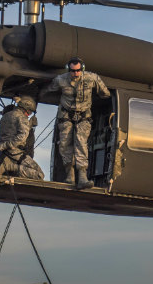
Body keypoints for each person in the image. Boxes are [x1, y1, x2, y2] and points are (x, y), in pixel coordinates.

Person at [42, 57, 110, 188]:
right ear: (69, 70)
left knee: (81, 143)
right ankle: (70, 174)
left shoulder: (92, 78)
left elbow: (105, 93)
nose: (76, 74)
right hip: (66, 115)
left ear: (82, 69)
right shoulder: (60, 80)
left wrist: (94, 99)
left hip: (83, 116)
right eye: (73, 71)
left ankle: (82, 176)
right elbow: (47, 90)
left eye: (78, 70)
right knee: (64, 144)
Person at [0, 96, 45, 180]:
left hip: (4, 152)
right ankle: (10, 167)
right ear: (26, 108)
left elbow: (10, 132)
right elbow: (22, 136)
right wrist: (29, 125)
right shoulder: (21, 117)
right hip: (15, 152)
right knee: (39, 175)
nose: (29, 114)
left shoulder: (5, 116)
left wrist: (29, 124)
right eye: (30, 111)